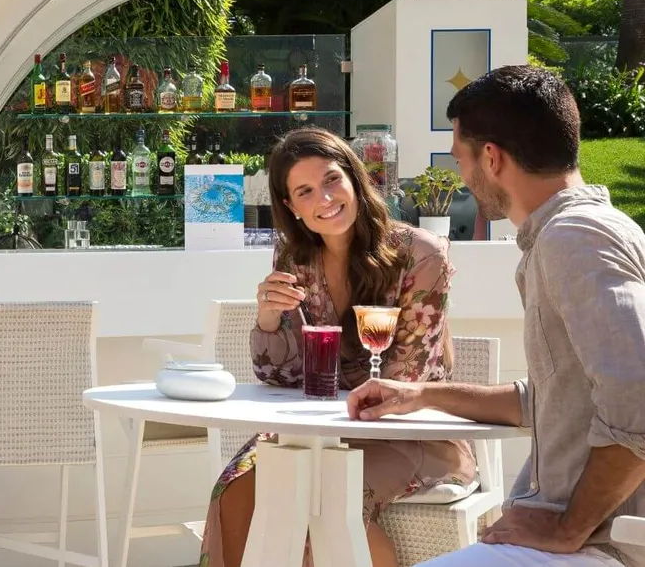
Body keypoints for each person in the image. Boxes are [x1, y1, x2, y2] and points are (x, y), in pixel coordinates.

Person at [349, 65, 645, 567]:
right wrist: (419, 395)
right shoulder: (588, 230)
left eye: (460, 158)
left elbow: (637, 395)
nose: (462, 175)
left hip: (603, 547)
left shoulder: (573, 239)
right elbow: (558, 400)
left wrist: (570, 528)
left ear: (492, 157)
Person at [199, 127, 474, 567]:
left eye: (331, 180)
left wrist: (324, 422)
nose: (324, 198)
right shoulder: (295, 261)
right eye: (305, 191)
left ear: (353, 177)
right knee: (234, 488)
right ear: (291, 206)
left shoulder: (421, 255)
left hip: (410, 434)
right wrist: (268, 318)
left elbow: (405, 381)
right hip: (315, 432)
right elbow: (282, 378)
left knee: (325, 495)